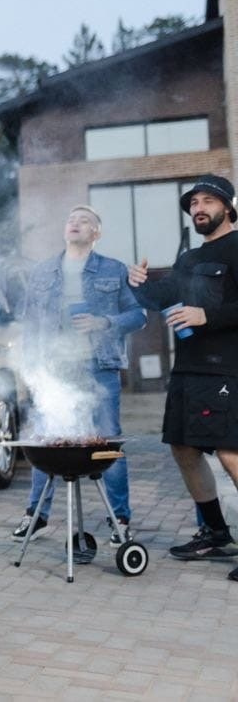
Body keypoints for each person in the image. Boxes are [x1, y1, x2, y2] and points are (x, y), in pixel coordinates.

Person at [12, 205, 145, 546]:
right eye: (71, 219)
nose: (75, 223)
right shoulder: (43, 272)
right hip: (56, 371)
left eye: (84, 220)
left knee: (108, 442)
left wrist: (104, 323)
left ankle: (120, 520)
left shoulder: (114, 270)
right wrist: (29, 372)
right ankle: (36, 516)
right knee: (48, 437)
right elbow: (29, 325)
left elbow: (137, 316)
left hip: (99, 368)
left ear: (96, 233)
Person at [128, 174, 238, 580]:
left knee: (230, 453)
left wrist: (207, 315)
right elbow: (163, 298)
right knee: (183, 448)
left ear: (227, 207)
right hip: (190, 368)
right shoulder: (190, 258)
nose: (199, 207)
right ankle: (215, 532)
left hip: (228, 368)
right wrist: (136, 284)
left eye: (208, 200)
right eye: (194, 202)